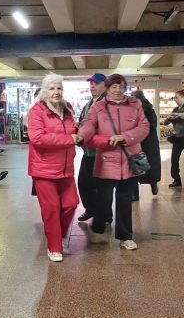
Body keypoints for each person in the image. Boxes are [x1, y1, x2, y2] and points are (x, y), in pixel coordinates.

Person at [78, 74, 150, 250]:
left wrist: (125, 137)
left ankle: (126, 236)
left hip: (129, 158)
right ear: (108, 88)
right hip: (106, 159)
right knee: (104, 198)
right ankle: (98, 226)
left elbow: (144, 127)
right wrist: (82, 135)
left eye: (121, 86)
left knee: (125, 199)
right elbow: (89, 124)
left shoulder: (135, 104)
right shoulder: (99, 107)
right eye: (114, 87)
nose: (118, 90)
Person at [27, 74, 81, 262]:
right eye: (52, 88)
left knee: (71, 203)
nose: (56, 92)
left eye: (59, 88)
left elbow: (74, 131)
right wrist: (69, 139)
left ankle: (57, 234)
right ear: (44, 91)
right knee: (51, 207)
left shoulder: (67, 109)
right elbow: (37, 138)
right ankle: (55, 246)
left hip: (66, 168)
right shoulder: (37, 111)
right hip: (43, 169)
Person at [77, 73, 106, 222]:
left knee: (101, 187)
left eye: (96, 83)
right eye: (91, 83)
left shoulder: (106, 104)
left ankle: (105, 215)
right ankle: (90, 209)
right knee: (83, 183)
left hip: (101, 153)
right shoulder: (89, 103)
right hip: (88, 152)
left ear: (104, 85)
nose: (92, 86)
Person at [131, 90, 161, 196]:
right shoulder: (131, 110)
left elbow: (152, 126)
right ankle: (135, 194)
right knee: (135, 168)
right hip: (136, 143)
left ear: (141, 99)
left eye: (136, 99)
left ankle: (153, 183)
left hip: (149, 143)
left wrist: (140, 129)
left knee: (150, 167)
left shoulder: (149, 110)